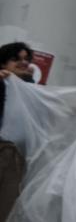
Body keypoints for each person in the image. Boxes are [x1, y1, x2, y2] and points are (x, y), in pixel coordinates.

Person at [0, 42, 33, 221]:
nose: (23, 62)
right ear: (3, 63)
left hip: (15, 155)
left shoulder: (28, 87)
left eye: (26, 59)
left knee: (8, 205)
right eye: (16, 59)